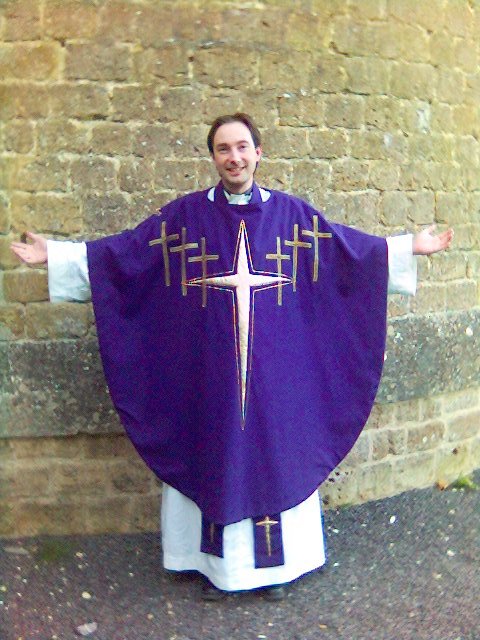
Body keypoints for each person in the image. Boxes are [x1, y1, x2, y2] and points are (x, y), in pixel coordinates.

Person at [11, 113, 453, 602]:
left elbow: (346, 255)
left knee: (274, 449)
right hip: (208, 374)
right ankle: (214, 568)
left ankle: (277, 568)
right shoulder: (184, 218)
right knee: (213, 446)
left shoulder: (292, 217)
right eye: (223, 149)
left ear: (258, 153)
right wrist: (57, 255)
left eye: (242, 147)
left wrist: (409, 247)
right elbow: (126, 258)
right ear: (213, 157)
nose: (234, 157)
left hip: (275, 376)